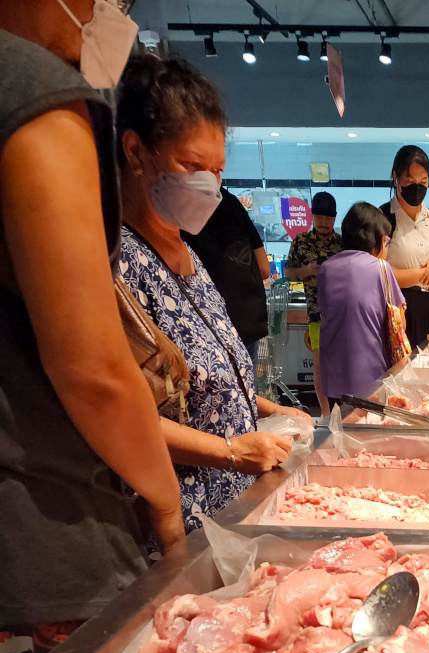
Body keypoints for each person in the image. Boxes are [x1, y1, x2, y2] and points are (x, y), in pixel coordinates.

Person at [0, 0, 184, 653]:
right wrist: (164, 503)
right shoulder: (33, 93)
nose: (113, 10)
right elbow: (92, 368)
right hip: (40, 541)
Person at [116, 54, 311, 534]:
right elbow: (122, 417)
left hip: (234, 505)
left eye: (218, 170)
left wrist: (269, 409)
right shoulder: (119, 263)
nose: (209, 184)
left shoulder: (191, 255)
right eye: (192, 165)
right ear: (137, 152)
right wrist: (229, 451)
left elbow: (209, 382)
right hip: (178, 521)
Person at [317, 202, 406, 405]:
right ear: (375, 238)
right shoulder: (381, 268)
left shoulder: (326, 269)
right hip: (372, 377)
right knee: (370, 434)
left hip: (333, 379)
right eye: (386, 240)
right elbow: (399, 324)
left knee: (341, 433)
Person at [182, 186, 270, 366]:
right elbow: (263, 268)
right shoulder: (231, 204)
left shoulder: (177, 207)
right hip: (246, 319)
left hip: (202, 325)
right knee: (247, 391)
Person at [383, 145, 429, 349]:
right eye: (410, 182)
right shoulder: (382, 219)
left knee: (427, 371)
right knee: (398, 373)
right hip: (397, 309)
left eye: (423, 182)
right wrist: (423, 274)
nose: (417, 187)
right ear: (396, 178)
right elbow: (377, 274)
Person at [284, 191, 341, 420]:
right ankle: (326, 413)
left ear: (334, 219)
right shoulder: (300, 242)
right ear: (312, 216)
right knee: (319, 365)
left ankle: (341, 411)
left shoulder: (342, 243)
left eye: (328, 218)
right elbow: (288, 273)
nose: (324, 223)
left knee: (340, 364)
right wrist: (307, 270)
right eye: (320, 217)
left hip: (340, 315)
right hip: (316, 314)